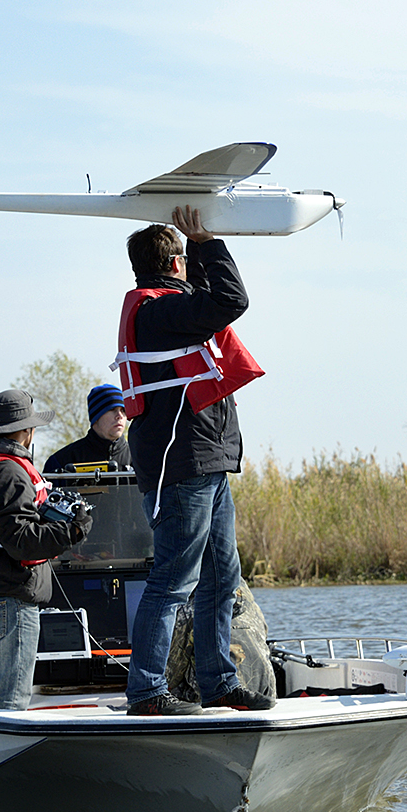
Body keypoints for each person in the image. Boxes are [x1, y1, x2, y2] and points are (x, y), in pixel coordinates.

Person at [114, 205, 274, 715]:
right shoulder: (159, 313)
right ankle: (145, 692)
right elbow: (231, 300)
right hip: (183, 465)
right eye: (186, 257)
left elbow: (207, 303)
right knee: (173, 580)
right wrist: (206, 240)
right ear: (177, 263)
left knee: (222, 577)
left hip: (207, 462)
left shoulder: (167, 308)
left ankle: (218, 683)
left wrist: (197, 251)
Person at [0, 389, 90, 710]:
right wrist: (72, 529)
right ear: (26, 431)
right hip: (9, 601)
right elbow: (22, 542)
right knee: (8, 703)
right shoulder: (9, 471)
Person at [42, 384, 134, 474]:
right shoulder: (62, 461)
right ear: (96, 417)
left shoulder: (139, 457)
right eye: (112, 409)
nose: (120, 416)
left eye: (123, 410)